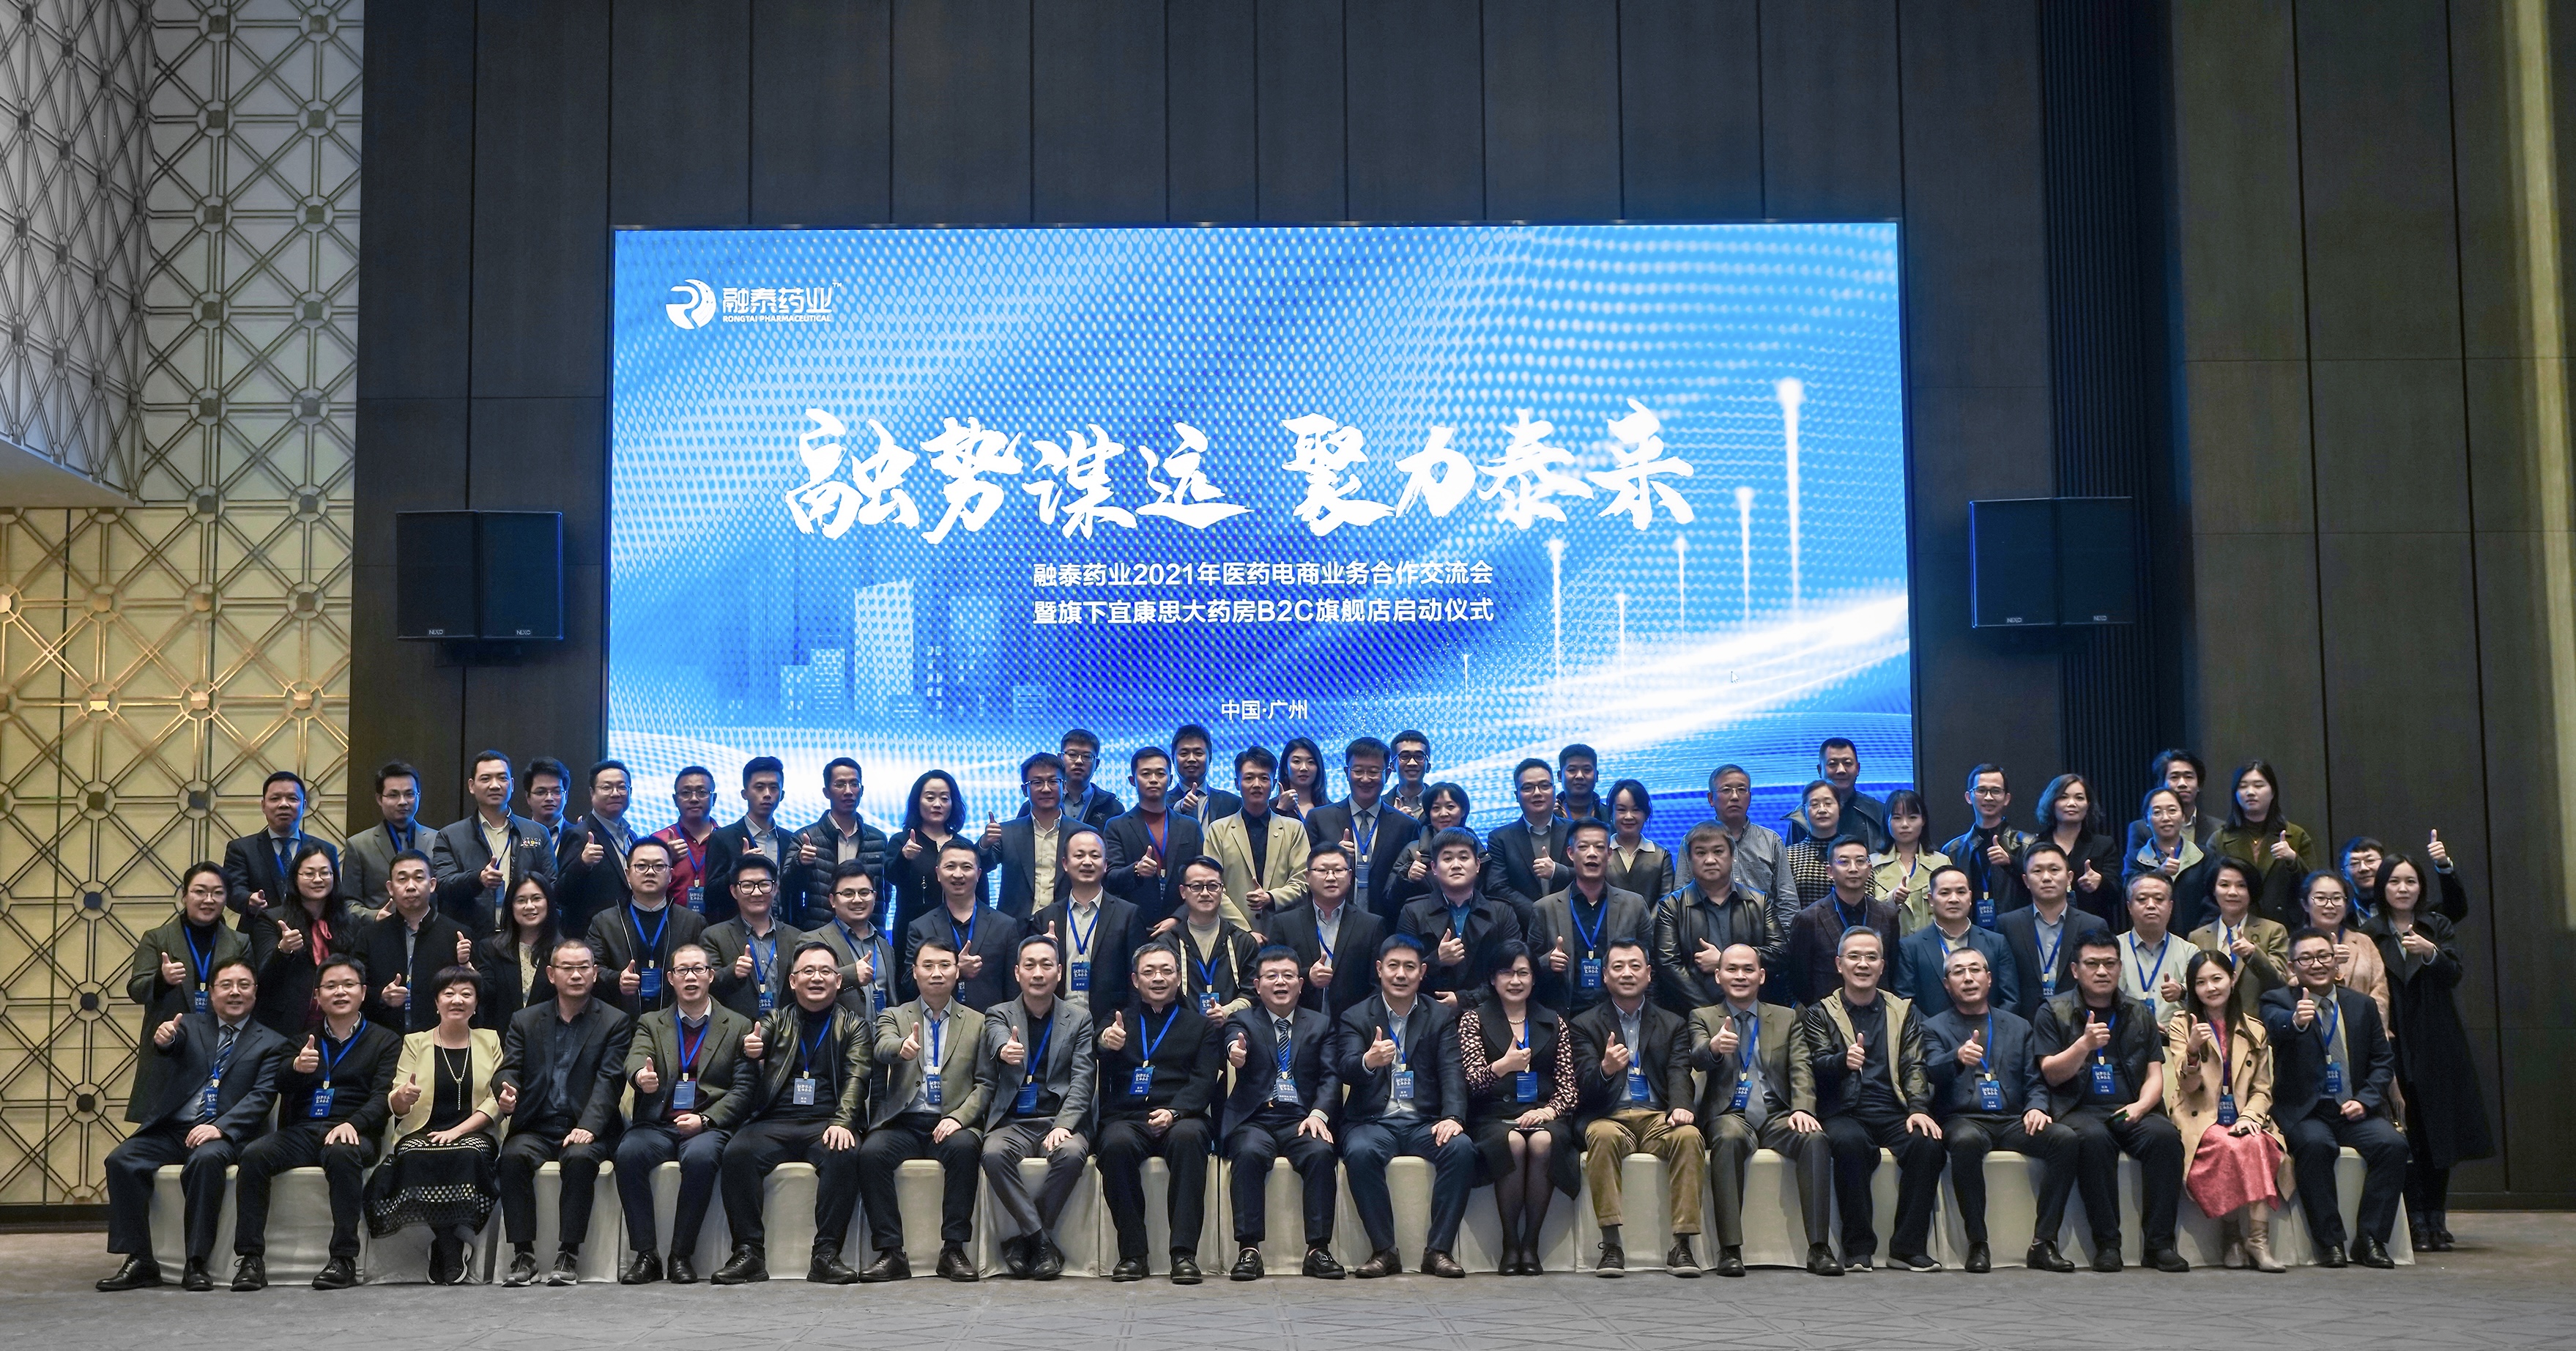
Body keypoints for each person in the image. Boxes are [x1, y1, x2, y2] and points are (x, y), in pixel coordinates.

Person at [99, 955, 286, 1292]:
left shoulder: (272, 1042)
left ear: (255, 992)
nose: (235, 992)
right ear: (211, 992)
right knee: (121, 1160)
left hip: (225, 1134)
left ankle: (196, 1262)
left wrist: (221, 1128)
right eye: (226, 985)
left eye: (243, 985)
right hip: (174, 1130)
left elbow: (262, 1097)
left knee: (206, 1160)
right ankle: (140, 1259)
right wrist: (164, 1039)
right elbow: (171, 1046)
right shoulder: (189, 1025)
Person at [228, 953, 400, 1290]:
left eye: (348, 985)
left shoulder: (385, 1040)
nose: (340, 992)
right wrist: (296, 1068)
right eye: (331, 986)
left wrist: (354, 1123)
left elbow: (383, 1096)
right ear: (318, 996)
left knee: (341, 1152)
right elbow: (279, 1084)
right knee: (254, 1155)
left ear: (363, 992)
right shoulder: (301, 1041)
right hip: (304, 1131)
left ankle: (343, 1259)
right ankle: (250, 1259)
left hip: (355, 1131)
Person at [710, 941, 875, 1284]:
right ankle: (748, 1254)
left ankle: (826, 1255)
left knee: (844, 1153)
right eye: (808, 971)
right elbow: (756, 1040)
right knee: (737, 1152)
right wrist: (752, 1047)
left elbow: (857, 1077)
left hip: (827, 1122)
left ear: (839, 981)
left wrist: (843, 1122)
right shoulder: (775, 1019)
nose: (817, 978)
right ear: (792, 981)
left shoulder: (854, 1026)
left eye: (826, 971)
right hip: (775, 1120)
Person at [1788, 928, 1943, 1272]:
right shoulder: (1819, 1012)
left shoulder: (1902, 1011)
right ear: (1839, 964)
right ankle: (1858, 1248)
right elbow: (1816, 1064)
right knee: (1849, 1143)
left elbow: (1914, 1064)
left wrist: (1918, 1108)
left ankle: (1907, 1248)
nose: (1863, 964)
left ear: (1882, 965)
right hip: (1845, 1110)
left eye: (1871, 957)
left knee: (1928, 1143)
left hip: (1894, 1109)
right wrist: (1843, 1062)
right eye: (1854, 957)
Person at [2033, 931, 2189, 1273]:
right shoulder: (2054, 1011)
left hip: (2130, 1108)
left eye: (2109, 963)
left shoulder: (2138, 1012)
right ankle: (2107, 1245)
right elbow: (2051, 1074)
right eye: (2092, 964)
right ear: (2075, 970)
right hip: (2078, 1109)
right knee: (2093, 1140)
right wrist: (2083, 1045)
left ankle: (2160, 1245)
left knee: (2165, 1138)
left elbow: (2155, 1074)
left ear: (2120, 968)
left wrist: (2141, 1107)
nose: (2102, 971)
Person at [1917, 945, 2078, 1273]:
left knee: (2065, 1139)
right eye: (1958, 972)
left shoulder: (2018, 1026)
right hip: (1963, 1119)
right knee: (1965, 1142)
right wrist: (1956, 1058)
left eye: (1975, 970)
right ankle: (1977, 1243)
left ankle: (2043, 1243)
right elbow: (1930, 1070)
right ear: (1947, 984)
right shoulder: (1934, 1027)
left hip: (2012, 1119)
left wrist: (2037, 1107)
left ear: (1989, 978)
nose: (1968, 978)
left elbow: (2035, 1081)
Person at [2263, 927, 2408, 1267]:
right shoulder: (2278, 1000)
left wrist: (2367, 1100)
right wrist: (2295, 1022)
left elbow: (2382, 1061)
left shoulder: (2362, 1005)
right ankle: (2330, 1242)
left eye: (2323, 956)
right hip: (2306, 1111)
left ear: (2335, 961)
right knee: (2316, 1146)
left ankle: (2371, 1239)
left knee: (2394, 1145)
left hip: (2353, 1108)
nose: (2317, 964)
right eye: (2306, 959)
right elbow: (2274, 1026)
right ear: (2292, 967)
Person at [491, 936, 633, 1286]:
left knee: (580, 1158)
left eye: (583, 967)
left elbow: (609, 1081)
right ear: (551, 975)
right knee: (512, 1157)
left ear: (595, 973)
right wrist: (505, 1091)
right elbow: (509, 1069)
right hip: (537, 1124)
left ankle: (569, 1253)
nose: (576, 975)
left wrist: (589, 1127)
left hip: (586, 1125)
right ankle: (523, 1255)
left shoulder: (614, 1021)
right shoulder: (525, 1020)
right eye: (567, 968)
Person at [1334, 934, 1476, 1278]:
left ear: (1422, 972)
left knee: (1461, 1148)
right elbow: (1346, 1066)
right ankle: (1384, 1251)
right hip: (1372, 1121)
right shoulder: (1356, 1016)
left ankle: (1439, 1251)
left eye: (1409, 967)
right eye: (1393, 966)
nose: (1401, 974)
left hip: (1423, 1121)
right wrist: (1368, 1061)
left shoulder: (1440, 1016)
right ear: (1379, 969)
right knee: (1360, 1152)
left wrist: (1453, 1117)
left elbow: (1452, 1071)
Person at [1688, 942, 1834, 1275]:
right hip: (1730, 1114)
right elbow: (1696, 1055)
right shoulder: (1703, 1017)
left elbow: (1801, 1066)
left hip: (1778, 1113)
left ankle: (1819, 1249)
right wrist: (1713, 1048)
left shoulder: (1786, 1017)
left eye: (1748, 969)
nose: (1740, 976)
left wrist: (1804, 1109)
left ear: (1762, 976)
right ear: (1718, 976)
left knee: (1815, 1139)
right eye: (1732, 969)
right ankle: (1729, 1250)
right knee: (1727, 1138)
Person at [2370, 853, 2492, 1251]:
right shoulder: (2369, 932)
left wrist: (2430, 951)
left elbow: (2454, 974)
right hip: (2393, 1041)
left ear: (2421, 887)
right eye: (2394, 882)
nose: (2403, 889)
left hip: (2437, 1039)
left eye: (2410, 881)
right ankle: (2415, 1221)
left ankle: (2437, 1219)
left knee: (2438, 1132)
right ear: (2382, 888)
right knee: (2405, 1132)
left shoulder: (2436, 925)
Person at [612, 941, 750, 1284]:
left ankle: (680, 1255)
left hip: (707, 1124)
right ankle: (646, 1255)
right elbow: (636, 1057)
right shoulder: (651, 1022)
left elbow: (744, 1090)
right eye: (682, 970)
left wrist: (705, 1120)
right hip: (659, 1122)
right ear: (670, 978)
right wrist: (640, 1077)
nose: (691, 977)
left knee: (701, 1158)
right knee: (628, 1153)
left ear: (711, 976)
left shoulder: (738, 1025)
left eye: (698, 969)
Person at [855, 937, 991, 1281]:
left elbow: (986, 1084)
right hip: (903, 1121)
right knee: (871, 1153)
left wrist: (960, 1118)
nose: (936, 973)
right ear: (914, 972)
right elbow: (882, 1045)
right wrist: (901, 1047)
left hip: (951, 1121)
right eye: (928, 966)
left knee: (965, 1149)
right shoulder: (894, 1015)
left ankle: (953, 1250)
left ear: (957, 972)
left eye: (945, 965)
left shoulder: (979, 1021)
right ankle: (891, 1252)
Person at [1569, 939, 1704, 1276]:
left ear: (1649, 973)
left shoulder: (1673, 1023)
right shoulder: (1584, 1024)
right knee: (1601, 1136)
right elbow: (1583, 1089)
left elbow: (1679, 1072)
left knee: (1689, 1136)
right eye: (1618, 967)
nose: (1627, 973)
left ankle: (1681, 1245)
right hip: (1610, 1116)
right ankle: (1611, 1245)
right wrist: (1605, 1070)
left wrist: (1681, 1106)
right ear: (1604, 975)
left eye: (1634, 966)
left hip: (1659, 1117)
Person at [1094, 941, 1224, 1282]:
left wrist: (1175, 1112)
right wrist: (1106, 1040)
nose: (1158, 978)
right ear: (1135, 980)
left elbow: (1204, 1081)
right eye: (1149, 972)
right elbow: (1099, 1045)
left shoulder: (1200, 1026)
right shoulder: (1119, 1021)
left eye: (1167, 971)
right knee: (1115, 1144)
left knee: (1189, 1139)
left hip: (1182, 1116)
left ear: (1179, 978)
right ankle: (1133, 1255)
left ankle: (1184, 1254)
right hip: (1128, 1117)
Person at [365, 965, 502, 1285]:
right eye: (449, 993)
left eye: (466, 994)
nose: (457, 1000)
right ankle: (449, 1244)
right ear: (437, 1002)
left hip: (474, 1130)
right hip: (422, 1129)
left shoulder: (490, 1040)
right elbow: (396, 1100)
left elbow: (495, 1099)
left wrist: (457, 1131)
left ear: (476, 1004)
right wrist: (403, 1097)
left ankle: (446, 1247)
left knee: (468, 1153)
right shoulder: (416, 1042)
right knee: (414, 1154)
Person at [1221, 945, 1347, 1279]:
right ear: (1257, 984)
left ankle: (1318, 1250)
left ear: (1301, 984)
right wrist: (1235, 1052)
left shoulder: (1320, 1024)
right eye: (1272, 976)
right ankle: (1249, 1250)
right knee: (1248, 1153)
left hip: (1301, 1118)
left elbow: (1331, 1076)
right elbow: (1234, 1039)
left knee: (1321, 1153)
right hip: (1255, 1118)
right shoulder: (1243, 1019)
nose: (1280, 982)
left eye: (1288, 976)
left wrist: (1319, 1114)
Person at [976, 934, 1096, 1280]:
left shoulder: (1079, 1018)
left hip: (1058, 1119)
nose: (1038, 973)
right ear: (1017, 972)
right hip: (1013, 1122)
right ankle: (1042, 1242)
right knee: (993, 1154)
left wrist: (1065, 1124)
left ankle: (1024, 1241)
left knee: (1071, 1154)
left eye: (1046, 965)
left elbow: (1083, 1079)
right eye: (1030, 965)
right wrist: (1005, 1050)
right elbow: (998, 1037)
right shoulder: (999, 1013)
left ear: (1060, 972)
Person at [2165, 950, 2288, 1272]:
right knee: (2230, 1145)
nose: (2210, 988)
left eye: (2217, 979)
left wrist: (2249, 1117)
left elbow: (2262, 1089)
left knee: (2255, 1141)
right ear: (2193, 988)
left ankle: (2257, 1241)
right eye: (2201, 982)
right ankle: (2232, 1236)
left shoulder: (2255, 1029)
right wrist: (2193, 1049)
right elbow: (2187, 1087)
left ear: (2232, 980)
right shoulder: (2182, 1024)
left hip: (2243, 1116)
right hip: (2200, 1116)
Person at [1649, 823, 1781, 1013]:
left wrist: (1724, 959)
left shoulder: (1760, 902)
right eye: (1701, 853)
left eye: (1718, 852)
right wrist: (1710, 1014)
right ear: (1689, 859)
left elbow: (1779, 953)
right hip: (1692, 1016)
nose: (1710, 860)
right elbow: (1668, 966)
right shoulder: (1671, 906)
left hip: (1755, 1013)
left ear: (1732, 856)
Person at [1531, 818, 1650, 1013]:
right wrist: (1547, 962)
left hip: (1619, 1012)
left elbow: (1650, 965)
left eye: (1599, 847)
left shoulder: (1634, 905)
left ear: (1609, 854)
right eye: (1583, 847)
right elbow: (1528, 967)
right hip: (1565, 1014)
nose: (1592, 853)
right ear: (1571, 853)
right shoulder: (1545, 908)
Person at [586, 835, 710, 1019]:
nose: (650, 872)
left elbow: (706, 971)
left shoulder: (693, 922)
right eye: (641, 866)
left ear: (671, 875)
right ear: (628, 874)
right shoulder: (605, 922)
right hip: (620, 1021)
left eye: (659, 866)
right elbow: (590, 968)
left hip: (677, 1021)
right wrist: (617, 979)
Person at [1398, 827, 1526, 1002]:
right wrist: (1436, 960)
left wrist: (1464, 1000)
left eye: (1464, 858)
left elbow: (1513, 970)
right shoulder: (1413, 911)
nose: (1456, 865)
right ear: (1434, 868)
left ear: (1478, 865)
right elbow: (1400, 974)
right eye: (1448, 859)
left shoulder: (1502, 911)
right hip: (1427, 1009)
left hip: (1489, 1009)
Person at [1031, 824, 1143, 1022]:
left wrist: (1127, 1023)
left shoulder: (1128, 915)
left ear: (1106, 864)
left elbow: (1137, 979)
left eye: (1095, 856)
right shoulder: (1045, 918)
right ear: (1065, 863)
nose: (1087, 862)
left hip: (1109, 1024)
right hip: (1055, 1023)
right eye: (1079, 855)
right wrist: (1042, 953)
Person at [356, 851, 475, 1034]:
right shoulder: (369, 936)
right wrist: (381, 996)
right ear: (390, 888)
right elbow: (355, 987)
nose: (411, 886)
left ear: (432, 884)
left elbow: (478, 993)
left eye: (419, 878)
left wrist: (465, 965)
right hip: (384, 1039)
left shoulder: (458, 935)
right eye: (402, 879)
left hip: (441, 1037)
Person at [431, 750, 552, 930]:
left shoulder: (537, 832)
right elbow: (442, 885)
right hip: (471, 935)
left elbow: (551, 885)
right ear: (472, 786)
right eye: (486, 779)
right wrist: (478, 879)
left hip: (524, 934)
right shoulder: (449, 835)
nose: (495, 785)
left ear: (512, 785)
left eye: (502, 778)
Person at [1302, 736, 1418, 923]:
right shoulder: (1319, 818)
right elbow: (1304, 874)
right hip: (1329, 922)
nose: (1365, 779)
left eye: (1373, 772)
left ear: (1388, 774)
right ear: (1347, 772)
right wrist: (1334, 857)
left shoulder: (1406, 826)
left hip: (1388, 924)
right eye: (1358, 771)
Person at [250, 842, 360, 1037]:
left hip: (338, 1025)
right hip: (285, 1027)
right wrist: (283, 950)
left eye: (325, 873)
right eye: (309, 874)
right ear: (295, 878)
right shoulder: (272, 919)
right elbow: (262, 978)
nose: (318, 879)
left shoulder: (349, 922)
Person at [906, 837, 1023, 1011]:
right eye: (950, 866)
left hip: (991, 1023)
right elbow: (909, 984)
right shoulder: (920, 927)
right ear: (938, 874)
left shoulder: (1005, 926)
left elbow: (1014, 990)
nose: (958, 874)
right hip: (938, 1022)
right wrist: (955, 969)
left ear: (979, 874)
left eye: (966, 867)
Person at [1266, 843, 1384, 1016]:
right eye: (1322, 871)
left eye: (1338, 870)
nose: (1331, 877)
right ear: (1307, 877)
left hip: (1353, 1023)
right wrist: (1307, 976)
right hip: (1298, 1021)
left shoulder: (1371, 926)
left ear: (1350, 876)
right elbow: (1270, 973)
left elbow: (1377, 984)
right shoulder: (1284, 924)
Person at [1994, 843, 2109, 1020]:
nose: (2046, 877)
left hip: (2079, 1021)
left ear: (2069, 877)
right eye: (2037, 871)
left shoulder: (2093, 925)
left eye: (2054, 870)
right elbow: (2004, 985)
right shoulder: (2008, 925)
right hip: (2024, 1023)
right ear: (2026, 881)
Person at [1781, 837, 1898, 1005]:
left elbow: (1893, 971)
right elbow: (1799, 979)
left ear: (1869, 869)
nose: (1853, 868)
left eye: (1860, 861)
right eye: (1844, 862)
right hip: (1826, 1012)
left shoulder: (1888, 916)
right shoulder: (1809, 919)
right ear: (1830, 871)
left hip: (1878, 1009)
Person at [1891, 865, 2019, 1017]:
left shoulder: (1996, 943)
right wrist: (1932, 1031)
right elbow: (1906, 1002)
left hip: (1991, 1030)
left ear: (1970, 897)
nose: (1954, 899)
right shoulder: (1911, 947)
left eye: (1961, 892)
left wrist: (1993, 1028)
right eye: (1945, 893)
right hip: (1930, 1031)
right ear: (1931, 899)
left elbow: (2010, 999)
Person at [1205, 746, 1310, 925]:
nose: (1256, 784)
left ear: (1274, 783)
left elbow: (1303, 881)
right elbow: (1211, 885)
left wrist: (1271, 898)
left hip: (1283, 930)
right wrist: (1244, 932)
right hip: (1232, 932)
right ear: (1236, 783)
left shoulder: (1294, 829)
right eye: (1249, 778)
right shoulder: (1218, 830)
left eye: (1264, 778)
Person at [1104, 745, 1203, 932]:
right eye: (1146, 774)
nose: (1153, 780)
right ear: (1132, 780)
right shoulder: (1117, 826)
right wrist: (1136, 870)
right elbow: (1109, 880)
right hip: (1132, 927)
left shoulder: (1190, 827)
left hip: (1182, 927)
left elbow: (1201, 879)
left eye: (1160, 774)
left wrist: (1178, 917)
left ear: (1170, 779)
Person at [2210, 760, 2321, 926]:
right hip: (2236, 925)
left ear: (2273, 792)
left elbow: (2315, 888)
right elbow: (2209, 891)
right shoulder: (2220, 839)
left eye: (2258, 785)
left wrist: (2293, 859)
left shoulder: (2296, 835)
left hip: (2286, 927)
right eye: (2243, 786)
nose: (2250, 792)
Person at [703, 852, 808, 1022]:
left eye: (764, 884)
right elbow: (703, 986)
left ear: (776, 888)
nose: (757, 892)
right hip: (735, 1031)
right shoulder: (714, 936)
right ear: (734, 891)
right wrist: (732, 973)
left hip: (787, 1030)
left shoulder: (796, 937)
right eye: (747, 885)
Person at [221, 769, 338, 919]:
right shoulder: (241, 849)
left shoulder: (326, 850)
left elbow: (335, 896)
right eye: (275, 798)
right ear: (263, 805)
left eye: (292, 798)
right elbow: (232, 891)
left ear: (304, 805)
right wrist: (249, 899)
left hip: (311, 929)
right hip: (259, 928)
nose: (284, 804)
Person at [2186, 855, 2292, 1019]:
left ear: (2251, 891)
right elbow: (2194, 991)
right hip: (2210, 1026)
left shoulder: (2273, 931)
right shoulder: (2197, 937)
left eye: (2241, 886)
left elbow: (2280, 985)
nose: (2232, 892)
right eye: (2224, 885)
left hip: (2258, 1025)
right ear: (2213, 890)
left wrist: (2254, 955)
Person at [791, 757, 886, 930]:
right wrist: (799, 862)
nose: (848, 791)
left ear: (862, 790)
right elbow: (789, 889)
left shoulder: (878, 839)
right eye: (840, 784)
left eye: (854, 784)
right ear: (826, 792)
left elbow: (883, 896)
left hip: (866, 933)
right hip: (819, 933)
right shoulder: (805, 837)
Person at [981, 752, 1072, 921]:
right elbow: (982, 867)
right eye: (1037, 782)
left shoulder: (1081, 834)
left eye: (1053, 781)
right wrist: (985, 844)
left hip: (1067, 925)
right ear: (1025, 790)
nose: (1046, 788)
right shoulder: (1006, 832)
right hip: (1015, 928)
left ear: (1065, 786)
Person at [703, 755, 792, 926]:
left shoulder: (790, 839)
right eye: (759, 787)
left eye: (774, 788)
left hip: (784, 931)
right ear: (745, 794)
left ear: (782, 795)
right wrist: (739, 867)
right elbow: (710, 896)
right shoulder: (722, 838)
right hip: (738, 931)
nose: (767, 794)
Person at [1485, 758, 1572, 930]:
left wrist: (1557, 871)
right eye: (1528, 788)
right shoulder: (1500, 838)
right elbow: (1497, 887)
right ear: (1516, 795)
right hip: (1523, 929)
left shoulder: (1574, 831)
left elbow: (1591, 874)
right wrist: (1538, 913)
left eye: (1545, 786)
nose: (1537, 793)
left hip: (1573, 924)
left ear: (1554, 790)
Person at [1173, 855, 1263, 1019]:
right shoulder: (1168, 944)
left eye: (1213, 886)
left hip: (1234, 1027)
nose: (1205, 893)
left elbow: (1253, 991)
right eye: (1196, 886)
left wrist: (1227, 1012)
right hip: (1182, 1029)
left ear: (1222, 890)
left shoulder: (1243, 942)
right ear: (1183, 892)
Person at [2300, 869, 2391, 1031]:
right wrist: (2328, 961)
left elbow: (2380, 991)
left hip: (2364, 1031)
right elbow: (2290, 988)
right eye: (2320, 898)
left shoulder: (2364, 942)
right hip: (2314, 1030)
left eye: (2337, 898)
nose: (2330, 905)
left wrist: (2369, 1030)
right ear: (2305, 904)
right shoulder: (2294, 945)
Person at [2124, 785, 2216, 936]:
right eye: (2157, 812)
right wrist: (2159, 873)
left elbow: (2214, 903)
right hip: (2150, 938)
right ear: (2146, 820)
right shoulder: (2136, 858)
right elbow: (2129, 894)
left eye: (2172, 811)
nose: (2166, 818)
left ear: (2183, 816)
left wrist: (2197, 936)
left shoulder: (2205, 856)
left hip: (2196, 939)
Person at [472, 873, 560, 1031]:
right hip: (502, 1038)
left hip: (550, 1037)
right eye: (521, 900)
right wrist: (468, 971)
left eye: (536, 899)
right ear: (511, 906)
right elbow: (485, 997)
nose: (529, 906)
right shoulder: (491, 948)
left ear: (548, 902)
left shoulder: (563, 951)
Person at [560, 759, 637, 933]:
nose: (615, 793)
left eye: (622, 787)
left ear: (630, 792)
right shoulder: (579, 835)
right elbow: (561, 894)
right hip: (593, 935)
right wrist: (583, 864)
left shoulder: (631, 836)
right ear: (592, 792)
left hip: (627, 932)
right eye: (606, 787)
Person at [810, 862, 897, 1016]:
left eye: (864, 893)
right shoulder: (814, 941)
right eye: (848, 894)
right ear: (832, 900)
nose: (857, 900)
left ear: (874, 897)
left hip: (883, 1031)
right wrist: (851, 975)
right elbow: (805, 989)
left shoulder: (884, 947)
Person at [1942, 764, 2029, 918]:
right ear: (1969, 797)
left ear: (2007, 798)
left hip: (2016, 928)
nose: (1989, 797)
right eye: (1981, 790)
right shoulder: (1953, 850)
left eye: (1996, 791)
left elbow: (2042, 885)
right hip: (1967, 929)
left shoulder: (2027, 844)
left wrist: (2012, 862)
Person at [1384, 782, 1482, 917]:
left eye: (1450, 807)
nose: (1443, 814)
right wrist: (1407, 878)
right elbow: (1389, 902)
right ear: (1429, 814)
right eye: (1436, 808)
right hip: (1423, 924)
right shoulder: (1413, 850)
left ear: (1463, 811)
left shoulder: (1480, 852)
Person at [890, 768, 969, 934]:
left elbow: (979, 893)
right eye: (930, 798)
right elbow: (891, 877)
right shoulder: (901, 841)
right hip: (913, 934)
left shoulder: (965, 845)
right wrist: (904, 857)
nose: (937, 804)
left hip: (959, 933)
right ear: (917, 802)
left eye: (945, 798)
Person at [1705, 764, 1791, 917]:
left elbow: (1788, 901)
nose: (1735, 797)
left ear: (1750, 798)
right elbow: (1682, 899)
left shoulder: (1772, 841)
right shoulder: (1694, 842)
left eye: (1741, 789)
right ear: (1711, 799)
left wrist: (1779, 933)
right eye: (1726, 790)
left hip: (1765, 929)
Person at [2034, 773, 2119, 928]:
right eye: (2063, 797)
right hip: (2045, 926)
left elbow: (2117, 894)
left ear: (2088, 805)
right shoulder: (2037, 844)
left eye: (2079, 798)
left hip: (2091, 928)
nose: (2071, 803)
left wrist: (2101, 882)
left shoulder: (2103, 844)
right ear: (2052, 803)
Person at [346, 760, 429, 913]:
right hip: (381, 926)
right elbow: (348, 903)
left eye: (409, 794)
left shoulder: (438, 840)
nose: (402, 802)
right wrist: (374, 916)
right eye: (393, 795)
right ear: (379, 799)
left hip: (428, 926)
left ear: (419, 796)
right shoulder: (358, 846)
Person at [1787, 737, 1890, 851]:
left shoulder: (1878, 813)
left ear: (1858, 769)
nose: (1841, 770)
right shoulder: (1801, 816)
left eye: (1847, 763)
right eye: (1833, 764)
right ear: (1820, 770)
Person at [2117, 873, 2191, 1026]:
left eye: (2159, 899)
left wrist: (2181, 993)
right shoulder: (2113, 949)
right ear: (2129, 907)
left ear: (2170, 907)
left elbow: (2204, 1001)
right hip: (2125, 1035)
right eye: (2142, 899)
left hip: (2174, 1037)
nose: (2151, 905)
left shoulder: (2189, 951)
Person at [1872, 790, 1950, 934]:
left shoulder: (1941, 862)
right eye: (1897, 818)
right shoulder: (1872, 864)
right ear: (1887, 821)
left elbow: (1951, 907)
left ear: (1923, 820)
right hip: (1888, 943)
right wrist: (1892, 899)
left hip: (1932, 943)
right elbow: (1866, 912)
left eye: (1913, 817)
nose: (1905, 824)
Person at [650, 766, 724, 918]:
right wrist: (666, 858)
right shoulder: (658, 841)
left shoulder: (727, 840)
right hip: (670, 924)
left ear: (714, 798)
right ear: (675, 799)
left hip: (719, 924)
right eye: (686, 793)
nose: (694, 799)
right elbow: (645, 887)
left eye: (702, 792)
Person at [2123, 750, 2221, 856]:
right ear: (2161, 783)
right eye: (2174, 777)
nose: (2182, 784)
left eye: (2189, 777)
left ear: (2199, 785)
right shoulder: (2142, 829)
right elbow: (2134, 867)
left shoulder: (2218, 829)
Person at [1777, 780, 1851, 916]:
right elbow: (1784, 904)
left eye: (1828, 803)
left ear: (1840, 808)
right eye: (1814, 804)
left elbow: (1867, 897)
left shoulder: (1854, 851)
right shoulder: (1790, 855)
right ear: (1804, 812)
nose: (1822, 810)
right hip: (1802, 927)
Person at [1602, 778, 1674, 905]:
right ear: (1611, 814)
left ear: (1646, 814)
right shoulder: (1600, 852)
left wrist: (1645, 919)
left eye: (1636, 810)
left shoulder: (1661, 855)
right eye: (1621, 810)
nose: (1629, 816)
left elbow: (1666, 902)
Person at [522, 757, 587, 882]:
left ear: (566, 796)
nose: (549, 798)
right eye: (541, 792)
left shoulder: (579, 837)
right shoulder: (517, 835)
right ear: (528, 797)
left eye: (557, 792)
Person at [1170, 722, 1245, 826]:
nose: (1191, 759)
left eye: (1198, 753)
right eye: (1184, 753)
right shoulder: (1161, 803)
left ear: (1210, 758)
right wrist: (1178, 808)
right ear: (1173, 759)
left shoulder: (1233, 803)